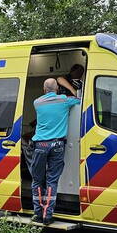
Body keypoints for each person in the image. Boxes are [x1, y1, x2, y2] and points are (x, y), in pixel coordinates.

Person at [30, 78, 81, 223]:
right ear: (57, 89)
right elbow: (78, 100)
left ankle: (38, 214)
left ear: (44, 89)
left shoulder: (37, 102)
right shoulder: (64, 100)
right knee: (52, 180)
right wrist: (71, 90)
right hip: (57, 145)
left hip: (40, 145)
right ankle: (48, 215)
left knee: (37, 180)